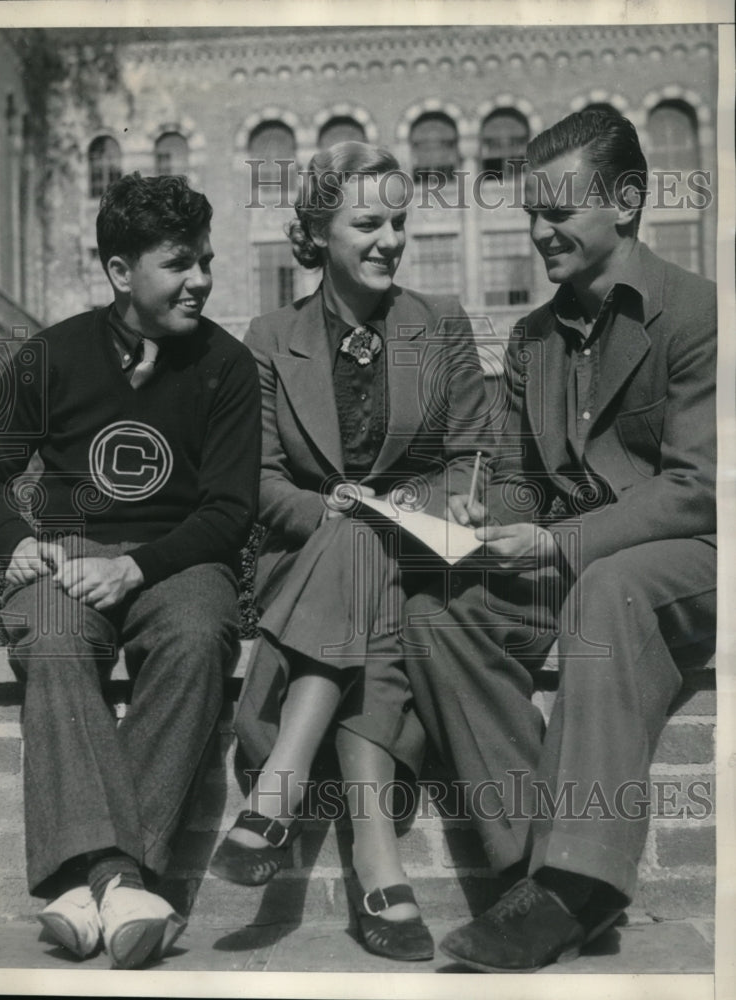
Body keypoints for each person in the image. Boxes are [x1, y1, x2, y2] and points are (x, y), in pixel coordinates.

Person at [403, 108, 717, 972]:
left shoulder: (698, 315)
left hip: (687, 565)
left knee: (607, 588)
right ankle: (528, 876)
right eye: (530, 213)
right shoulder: (534, 340)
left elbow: (698, 491)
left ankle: (578, 888)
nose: (538, 232)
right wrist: (488, 515)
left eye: (558, 212)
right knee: (442, 616)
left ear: (625, 200)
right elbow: (517, 477)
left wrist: (555, 545)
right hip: (575, 566)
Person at [211, 141, 492, 961]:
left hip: (423, 553)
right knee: (355, 542)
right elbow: (256, 479)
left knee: (370, 536)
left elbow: (473, 454)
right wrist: (323, 509)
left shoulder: (438, 324)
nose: (390, 239)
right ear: (317, 234)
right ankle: (379, 863)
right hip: (310, 560)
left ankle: (277, 788)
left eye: (400, 222)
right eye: (367, 221)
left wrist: (426, 502)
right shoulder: (270, 336)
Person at [0, 173, 261, 969]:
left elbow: (230, 510)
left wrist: (138, 569)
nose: (201, 279)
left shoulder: (228, 366)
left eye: (205, 260)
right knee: (54, 634)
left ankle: (88, 885)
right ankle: (125, 881)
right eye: (179, 264)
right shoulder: (51, 355)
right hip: (68, 558)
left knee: (200, 634)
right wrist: (15, 540)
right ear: (118, 272)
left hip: (179, 560)